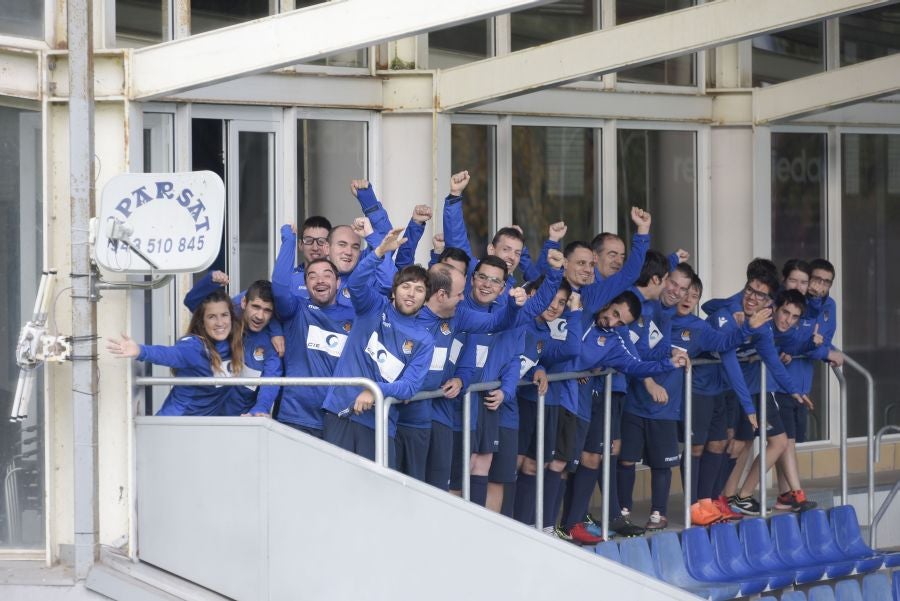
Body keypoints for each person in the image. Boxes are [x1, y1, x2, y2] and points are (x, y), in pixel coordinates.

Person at [321, 228, 435, 466]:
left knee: (374, 497)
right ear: (393, 291)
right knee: (332, 490)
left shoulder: (425, 340)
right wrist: (379, 252)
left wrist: (374, 390)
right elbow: (357, 284)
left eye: (419, 290)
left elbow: (410, 387)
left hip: (379, 425)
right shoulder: (373, 306)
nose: (411, 294)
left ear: (426, 299)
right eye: (406, 286)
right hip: (339, 411)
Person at [671, 274, 772, 525]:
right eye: (685, 292)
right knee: (695, 447)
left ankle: (707, 500)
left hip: (715, 391)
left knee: (717, 444)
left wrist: (746, 326)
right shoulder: (664, 321)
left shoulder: (702, 325)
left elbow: (726, 342)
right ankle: (692, 504)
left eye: (694, 295)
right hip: (693, 391)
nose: (689, 299)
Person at [271, 228, 356, 437]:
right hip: (296, 416)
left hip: (339, 415)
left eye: (327, 275)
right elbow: (279, 288)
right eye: (312, 277)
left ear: (337, 283)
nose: (320, 280)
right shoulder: (297, 310)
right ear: (305, 284)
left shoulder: (355, 316)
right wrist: (289, 241)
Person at [107, 289, 244, 416]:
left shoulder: (233, 341)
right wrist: (140, 350)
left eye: (224, 315)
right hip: (175, 423)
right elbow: (170, 354)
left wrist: (212, 279)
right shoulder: (193, 347)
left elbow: (251, 297)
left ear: (232, 317)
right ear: (201, 322)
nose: (220, 323)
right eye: (212, 317)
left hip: (203, 426)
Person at [182, 272, 283, 416]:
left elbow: (271, 379)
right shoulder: (223, 320)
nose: (260, 316)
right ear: (244, 303)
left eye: (267, 310)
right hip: (202, 415)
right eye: (255, 307)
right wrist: (209, 281)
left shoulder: (272, 343)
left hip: (239, 422)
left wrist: (261, 408)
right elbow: (192, 303)